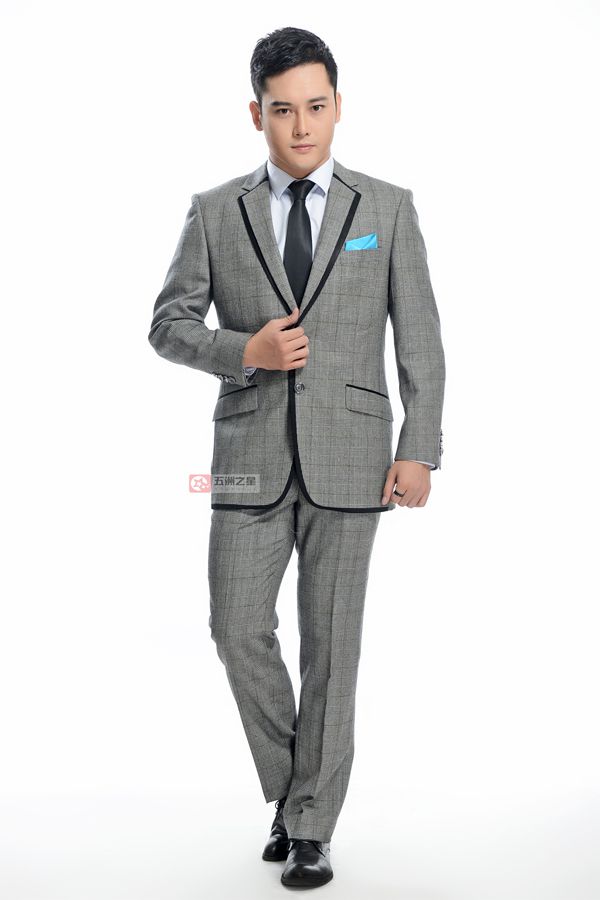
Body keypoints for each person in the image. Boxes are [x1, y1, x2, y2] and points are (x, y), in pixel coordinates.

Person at [148, 25, 445, 890]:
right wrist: (243, 350)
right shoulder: (215, 210)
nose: (301, 126)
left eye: (316, 106)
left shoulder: (386, 208)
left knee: (333, 646)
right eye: (282, 110)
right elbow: (167, 325)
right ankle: (294, 790)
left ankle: (311, 828)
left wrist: (419, 448)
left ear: (338, 107)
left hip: (355, 455)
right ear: (257, 114)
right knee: (235, 627)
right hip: (247, 457)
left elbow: (421, 340)